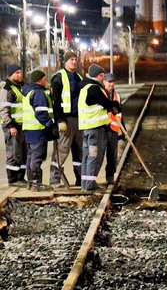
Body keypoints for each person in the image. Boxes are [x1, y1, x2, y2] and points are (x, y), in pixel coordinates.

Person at [77, 64, 121, 193]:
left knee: (87, 156)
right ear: (97, 76)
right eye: (102, 75)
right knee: (94, 156)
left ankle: (85, 183)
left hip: (86, 128)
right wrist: (114, 106)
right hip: (94, 128)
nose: (103, 78)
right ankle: (90, 184)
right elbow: (106, 103)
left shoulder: (85, 88)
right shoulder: (93, 89)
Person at [49, 51, 83, 187]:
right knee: (61, 150)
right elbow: (55, 101)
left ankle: (80, 178)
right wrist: (60, 120)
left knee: (79, 151)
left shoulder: (79, 77)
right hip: (66, 120)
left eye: (75, 59)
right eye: (71, 60)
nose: (74, 62)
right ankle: (54, 179)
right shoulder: (58, 78)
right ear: (65, 61)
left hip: (78, 119)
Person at [21, 70, 55, 191]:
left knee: (31, 156)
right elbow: (41, 113)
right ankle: (36, 184)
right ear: (40, 80)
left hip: (29, 130)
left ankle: (31, 182)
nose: (46, 81)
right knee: (37, 156)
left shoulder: (28, 92)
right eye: (45, 78)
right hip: (37, 130)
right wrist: (50, 124)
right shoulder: (38, 93)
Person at [2, 66, 26, 185]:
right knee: (13, 153)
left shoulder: (20, 87)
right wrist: (10, 126)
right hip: (12, 127)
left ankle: (20, 178)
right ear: (10, 74)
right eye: (17, 73)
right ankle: (13, 179)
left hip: (21, 126)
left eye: (20, 72)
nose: (20, 75)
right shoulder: (7, 88)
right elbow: (3, 110)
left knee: (21, 153)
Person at [100, 73, 123, 185]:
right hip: (102, 128)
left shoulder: (117, 96)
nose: (111, 84)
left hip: (113, 129)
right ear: (104, 82)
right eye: (109, 82)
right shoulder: (100, 93)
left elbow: (120, 113)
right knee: (99, 155)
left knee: (112, 154)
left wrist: (124, 130)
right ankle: (92, 178)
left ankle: (110, 177)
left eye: (113, 81)